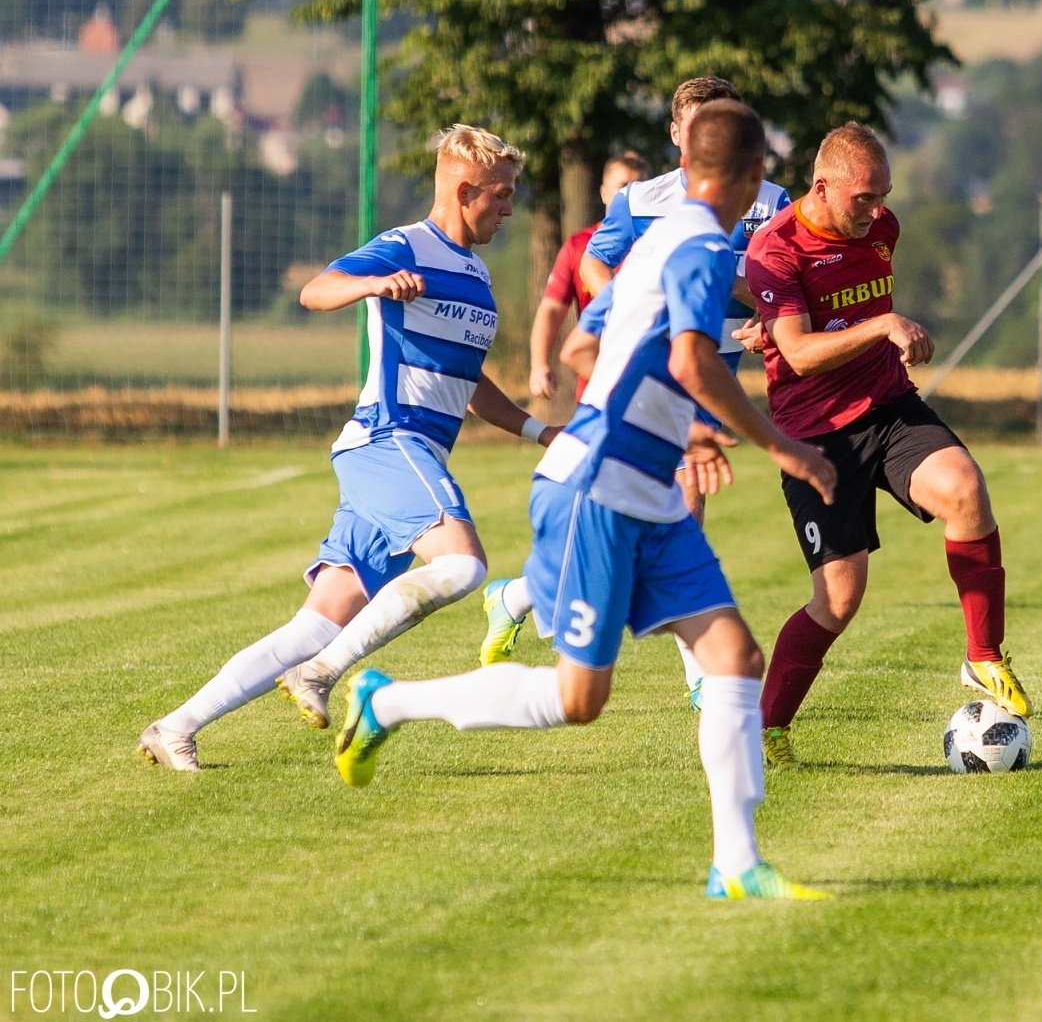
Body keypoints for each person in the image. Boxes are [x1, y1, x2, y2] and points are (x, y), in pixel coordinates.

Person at [330, 101, 838, 901]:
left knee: (735, 659)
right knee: (578, 698)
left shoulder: (657, 241)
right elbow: (694, 361)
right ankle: (385, 702)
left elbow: (584, 343)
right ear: (753, 175)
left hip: (647, 485)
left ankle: (737, 865)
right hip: (598, 485)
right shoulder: (704, 247)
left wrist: (675, 426)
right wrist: (784, 446)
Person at [136, 124, 559, 771]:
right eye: (500, 195)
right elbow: (316, 289)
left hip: (409, 458)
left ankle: (174, 727)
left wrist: (539, 431)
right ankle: (321, 673)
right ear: (464, 190)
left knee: (316, 623)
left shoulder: (476, 273)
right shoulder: (404, 245)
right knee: (464, 567)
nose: (509, 208)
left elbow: (468, 382)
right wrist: (373, 285)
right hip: (390, 440)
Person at [479, 76, 788, 705]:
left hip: (705, 380)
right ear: (677, 134)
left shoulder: (770, 201)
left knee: (657, 526)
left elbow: (778, 281)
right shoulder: (644, 203)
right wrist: (637, 308)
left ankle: (516, 597)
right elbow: (595, 265)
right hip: (663, 382)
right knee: (675, 510)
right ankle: (702, 673)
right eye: (695, 125)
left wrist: (770, 315)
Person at [741, 122, 1033, 769]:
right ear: (823, 187)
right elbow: (798, 352)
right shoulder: (776, 247)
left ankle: (983, 655)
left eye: (883, 197)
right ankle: (765, 729)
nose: (877, 212)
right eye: (864, 198)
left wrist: (854, 328)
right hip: (816, 435)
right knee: (839, 599)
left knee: (966, 490)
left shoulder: (881, 229)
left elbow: (830, 313)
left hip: (889, 406)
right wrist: (879, 324)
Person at [527, 151, 649, 401]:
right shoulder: (579, 245)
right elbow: (552, 309)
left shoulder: (661, 242)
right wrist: (539, 365)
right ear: (603, 192)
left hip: (651, 378)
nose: (631, 195)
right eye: (623, 187)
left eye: (640, 187)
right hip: (595, 384)